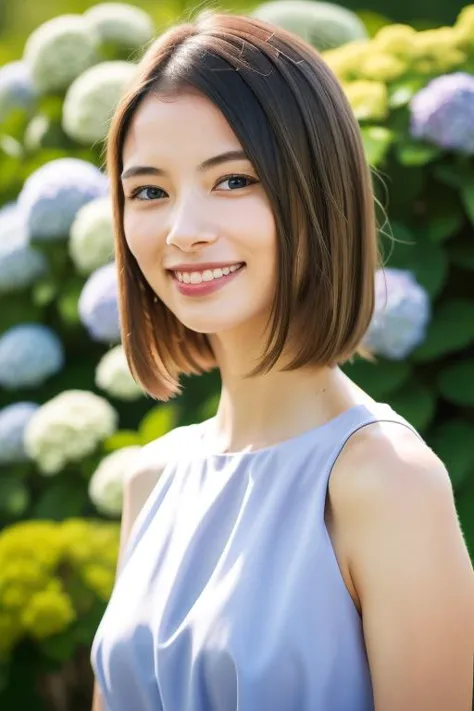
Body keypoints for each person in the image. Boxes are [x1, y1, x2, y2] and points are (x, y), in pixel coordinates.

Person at [90, 10, 474, 711]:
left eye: (233, 180)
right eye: (149, 191)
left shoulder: (388, 483)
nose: (184, 231)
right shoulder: (152, 481)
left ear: (314, 190)